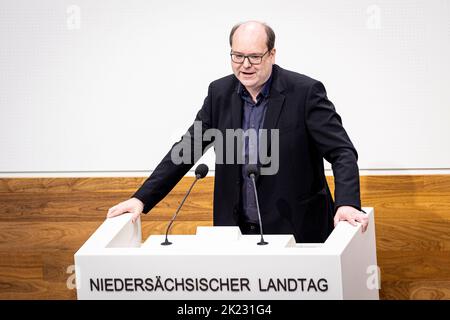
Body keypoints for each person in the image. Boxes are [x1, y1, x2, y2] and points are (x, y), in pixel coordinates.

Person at [107, 21, 368, 243]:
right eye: (237, 55)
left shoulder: (305, 92)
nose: (245, 65)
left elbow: (341, 151)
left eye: (255, 57)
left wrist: (345, 202)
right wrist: (141, 199)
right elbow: (186, 149)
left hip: (296, 229)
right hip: (236, 232)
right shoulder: (219, 93)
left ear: (272, 54)